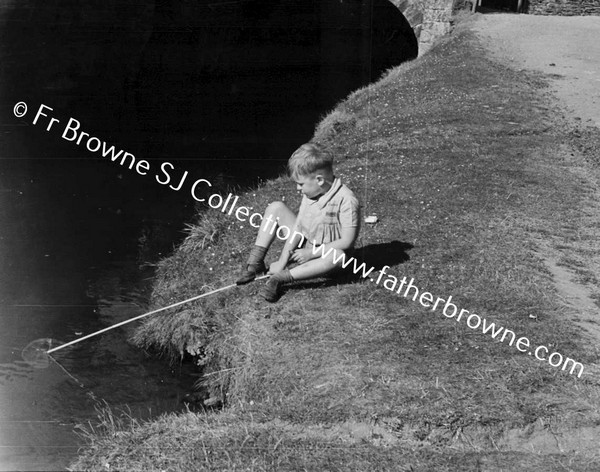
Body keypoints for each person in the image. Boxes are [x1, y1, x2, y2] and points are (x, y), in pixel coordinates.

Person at [236, 143, 361, 302]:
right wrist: (282, 260)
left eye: (301, 184)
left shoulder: (347, 200)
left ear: (319, 180)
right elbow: (298, 227)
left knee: (339, 256)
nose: (297, 188)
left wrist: (311, 253)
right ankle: (255, 264)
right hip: (309, 243)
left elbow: (347, 241)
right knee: (276, 207)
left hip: (328, 255)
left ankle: (281, 279)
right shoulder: (311, 192)